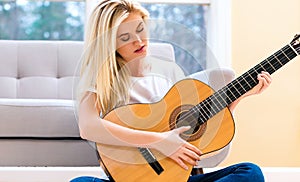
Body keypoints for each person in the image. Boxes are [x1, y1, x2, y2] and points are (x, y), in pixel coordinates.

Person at [71, 0, 272, 181]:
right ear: (109, 44)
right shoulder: (101, 77)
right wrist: (160, 141)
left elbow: (198, 130)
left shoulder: (165, 72)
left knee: (250, 172)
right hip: (130, 178)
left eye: (140, 29)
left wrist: (241, 95)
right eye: (125, 37)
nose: (139, 41)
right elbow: (88, 127)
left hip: (176, 177)